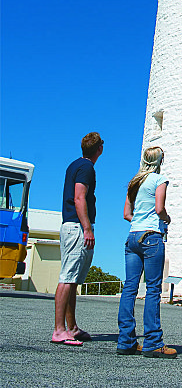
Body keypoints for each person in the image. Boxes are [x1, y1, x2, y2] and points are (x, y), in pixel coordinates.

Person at [117, 146, 177, 358]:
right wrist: (167, 220)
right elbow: (159, 209)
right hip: (151, 237)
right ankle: (153, 342)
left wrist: (139, 223)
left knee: (130, 288)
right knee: (153, 289)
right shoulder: (159, 180)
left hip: (132, 236)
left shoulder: (134, 182)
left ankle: (125, 341)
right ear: (160, 160)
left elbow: (127, 213)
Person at [52, 132, 104, 346]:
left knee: (72, 279)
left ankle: (71, 327)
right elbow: (79, 196)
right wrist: (87, 228)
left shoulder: (75, 165)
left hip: (73, 226)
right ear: (99, 148)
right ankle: (59, 330)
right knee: (67, 277)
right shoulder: (86, 168)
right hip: (76, 227)